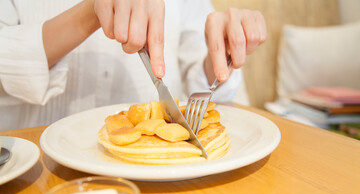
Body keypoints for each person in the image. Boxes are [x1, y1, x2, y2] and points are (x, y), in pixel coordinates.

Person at [0, 0, 266, 131]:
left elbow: (195, 87)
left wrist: (222, 55)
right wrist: (88, 14)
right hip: (35, 171)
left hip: (161, 180)